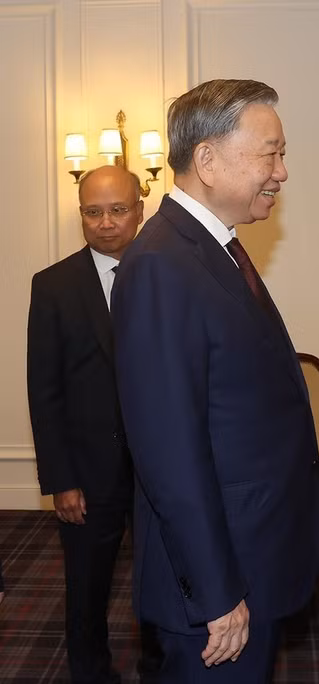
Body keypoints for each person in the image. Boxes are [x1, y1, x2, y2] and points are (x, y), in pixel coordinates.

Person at [111, 79, 319, 683]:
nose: (282, 172)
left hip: (249, 557)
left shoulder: (212, 249)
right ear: (207, 159)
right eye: (270, 153)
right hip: (218, 585)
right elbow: (169, 454)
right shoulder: (161, 265)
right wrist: (217, 593)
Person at [27, 165, 145, 683]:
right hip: (87, 476)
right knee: (87, 591)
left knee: (162, 584)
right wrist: (61, 480)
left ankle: (162, 667)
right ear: (81, 215)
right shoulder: (53, 286)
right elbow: (44, 391)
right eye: (92, 212)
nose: (105, 223)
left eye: (117, 209)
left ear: (140, 210)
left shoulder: (168, 275)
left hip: (158, 472)